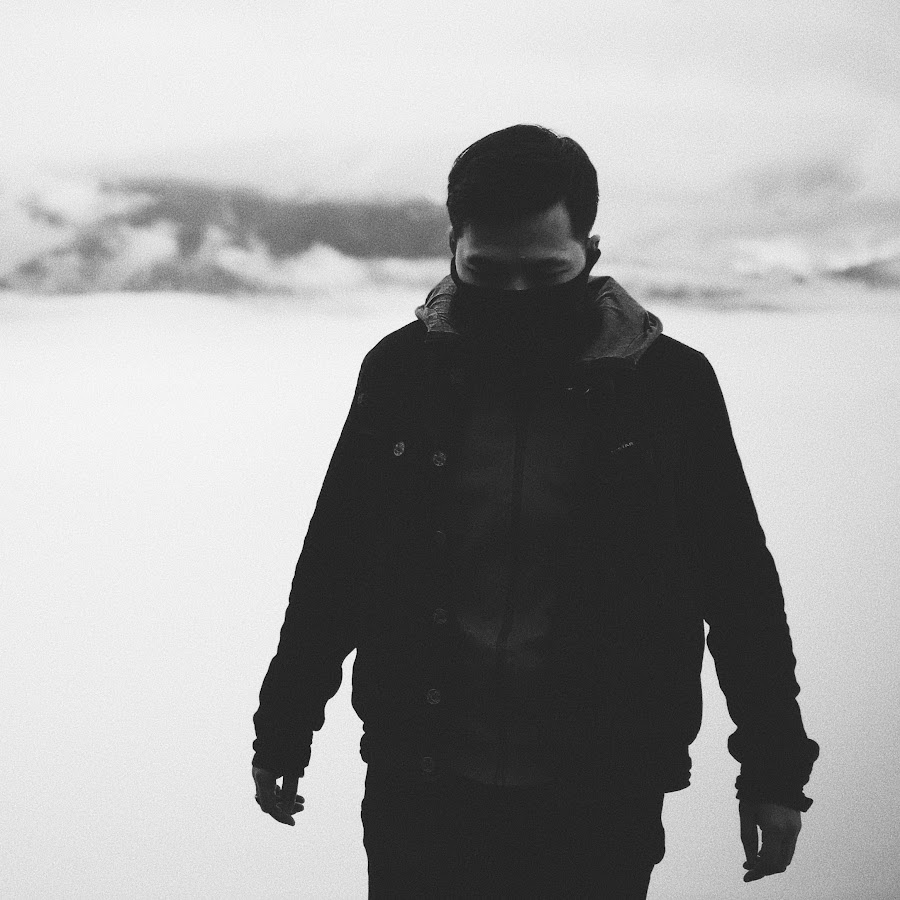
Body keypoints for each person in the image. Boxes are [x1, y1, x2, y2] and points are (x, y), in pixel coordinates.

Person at [251, 124, 820, 898]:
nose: (516, 296)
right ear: (452, 248)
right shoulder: (401, 374)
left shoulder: (668, 388)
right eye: (488, 271)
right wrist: (285, 723)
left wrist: (775, 769)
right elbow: (338, 560)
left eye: (544, 272)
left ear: (591, 251)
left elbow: (737, 583)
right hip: (422, 784)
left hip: (600, 795)